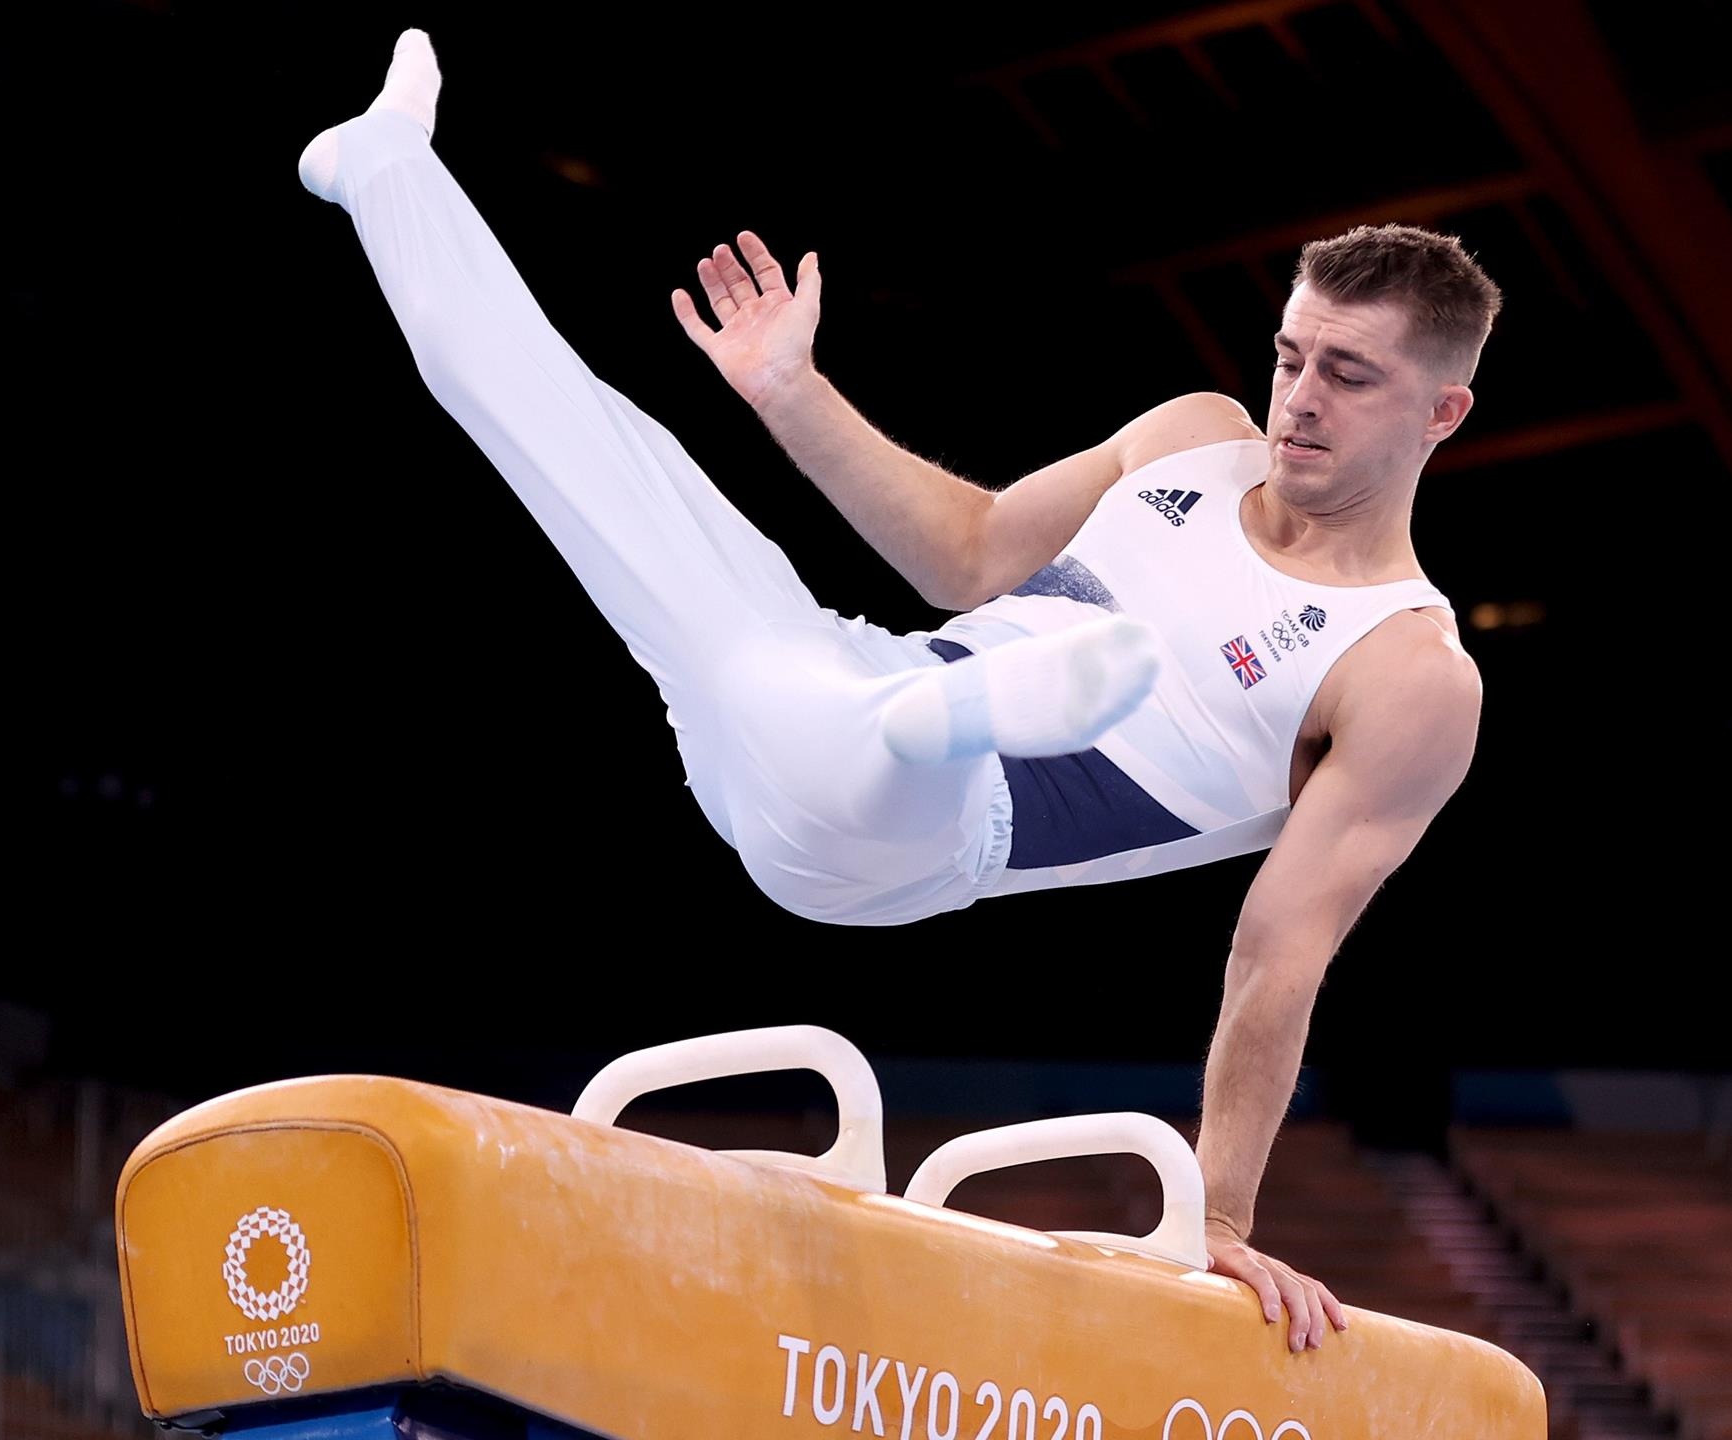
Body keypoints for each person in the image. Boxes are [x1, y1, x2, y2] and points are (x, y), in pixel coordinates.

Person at [297, 28, 1498, 1355]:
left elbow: (1281, 952)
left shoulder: (1409, 668)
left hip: (910, 840)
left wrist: (1215, 1214)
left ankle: (974, 721)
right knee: (596, 452)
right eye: (1291, 353)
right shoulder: (1194, 437)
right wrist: (792, 394)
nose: (1298, 397)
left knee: (892, 734)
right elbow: (972, 554)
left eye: (1348, 373)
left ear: (1440, 413)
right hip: (834, 692)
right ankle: (385, 172)